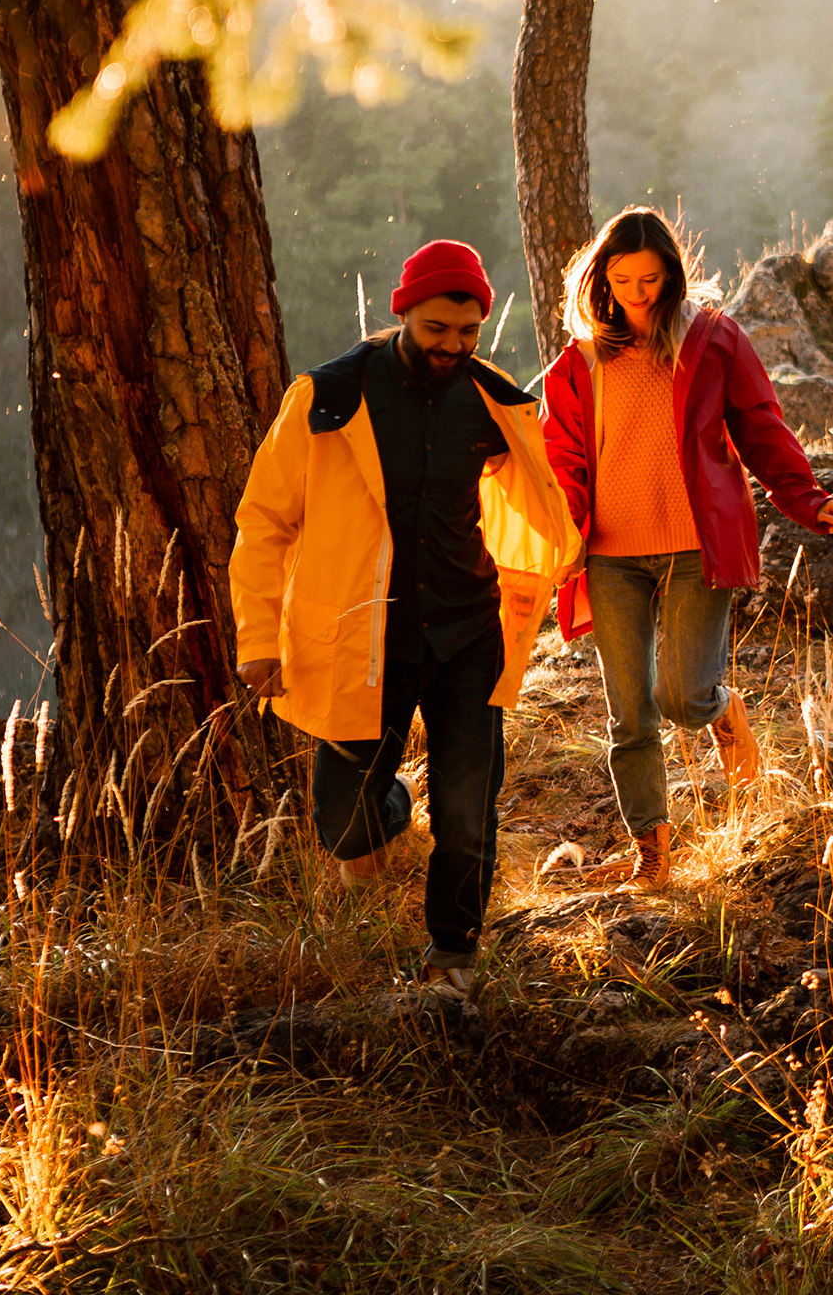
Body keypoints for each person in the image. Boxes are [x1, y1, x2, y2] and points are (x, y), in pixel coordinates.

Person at [231, 239, 579, 999]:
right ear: (403, 315)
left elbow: (543, 496)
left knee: (468, 808)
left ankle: (452, 957)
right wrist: (259, 640)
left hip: (468, 635)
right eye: (436, 331)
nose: (452, 347)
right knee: (344, 818)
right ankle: (390, 816)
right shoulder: (327, 397)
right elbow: (263, 523)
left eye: (466, 333)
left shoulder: (495, 401)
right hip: (358, 638)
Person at [541, 207, 833, 887]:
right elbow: (562, 460)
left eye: (651, 279)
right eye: (623, 280)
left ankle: (722, 709)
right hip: (610, 556)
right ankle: (653, 858)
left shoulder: (711, 339)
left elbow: (761, 427)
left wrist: (806, 498)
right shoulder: (578, 362)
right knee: (629, 713)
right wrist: (559, 535)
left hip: (694, 548)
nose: (638, 294)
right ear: (602, 280)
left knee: (681, 696)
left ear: (672, 276)